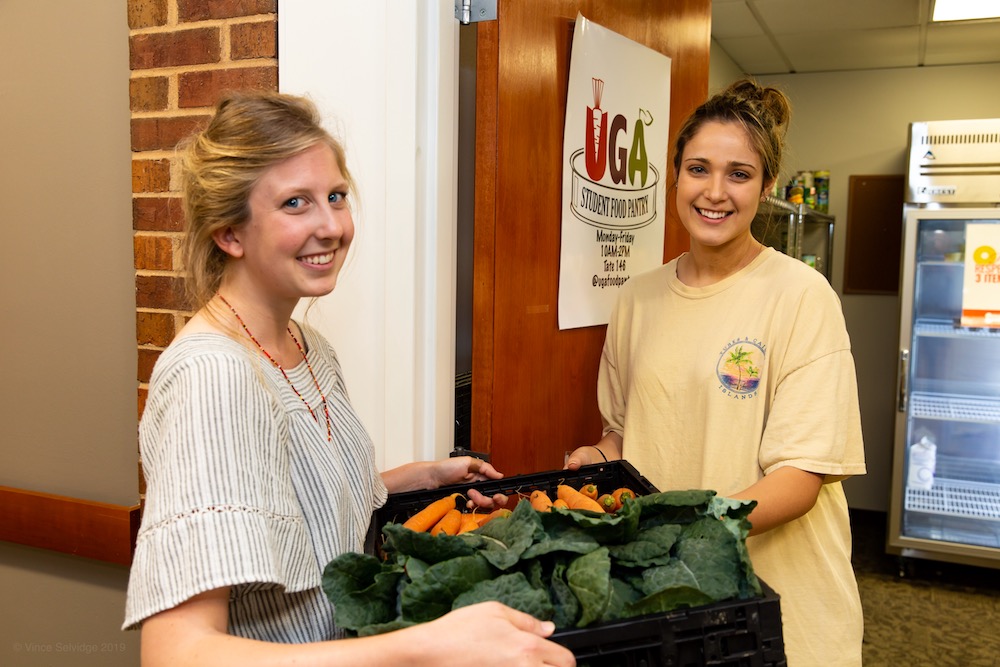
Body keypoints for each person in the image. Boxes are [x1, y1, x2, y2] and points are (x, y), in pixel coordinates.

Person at [123, 91, 575, 667]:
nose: (333, 226)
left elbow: (295, 509)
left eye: (336, 196)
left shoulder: (309, 348)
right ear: (230, 234)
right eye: (295, 203)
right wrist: (425, 648)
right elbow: (177, 654)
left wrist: (422, 476)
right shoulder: (213, 377)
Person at [565, 79, 866, 666]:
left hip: (781, 608)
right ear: (673, 176)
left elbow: (801, 476)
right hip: (673, 604)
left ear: (766, 187)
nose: (715, 192)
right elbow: (625, 433)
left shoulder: (802, 296)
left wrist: (682, 530)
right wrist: (594, 464)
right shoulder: (636, 299)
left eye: (739, 174)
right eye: (699, 169)